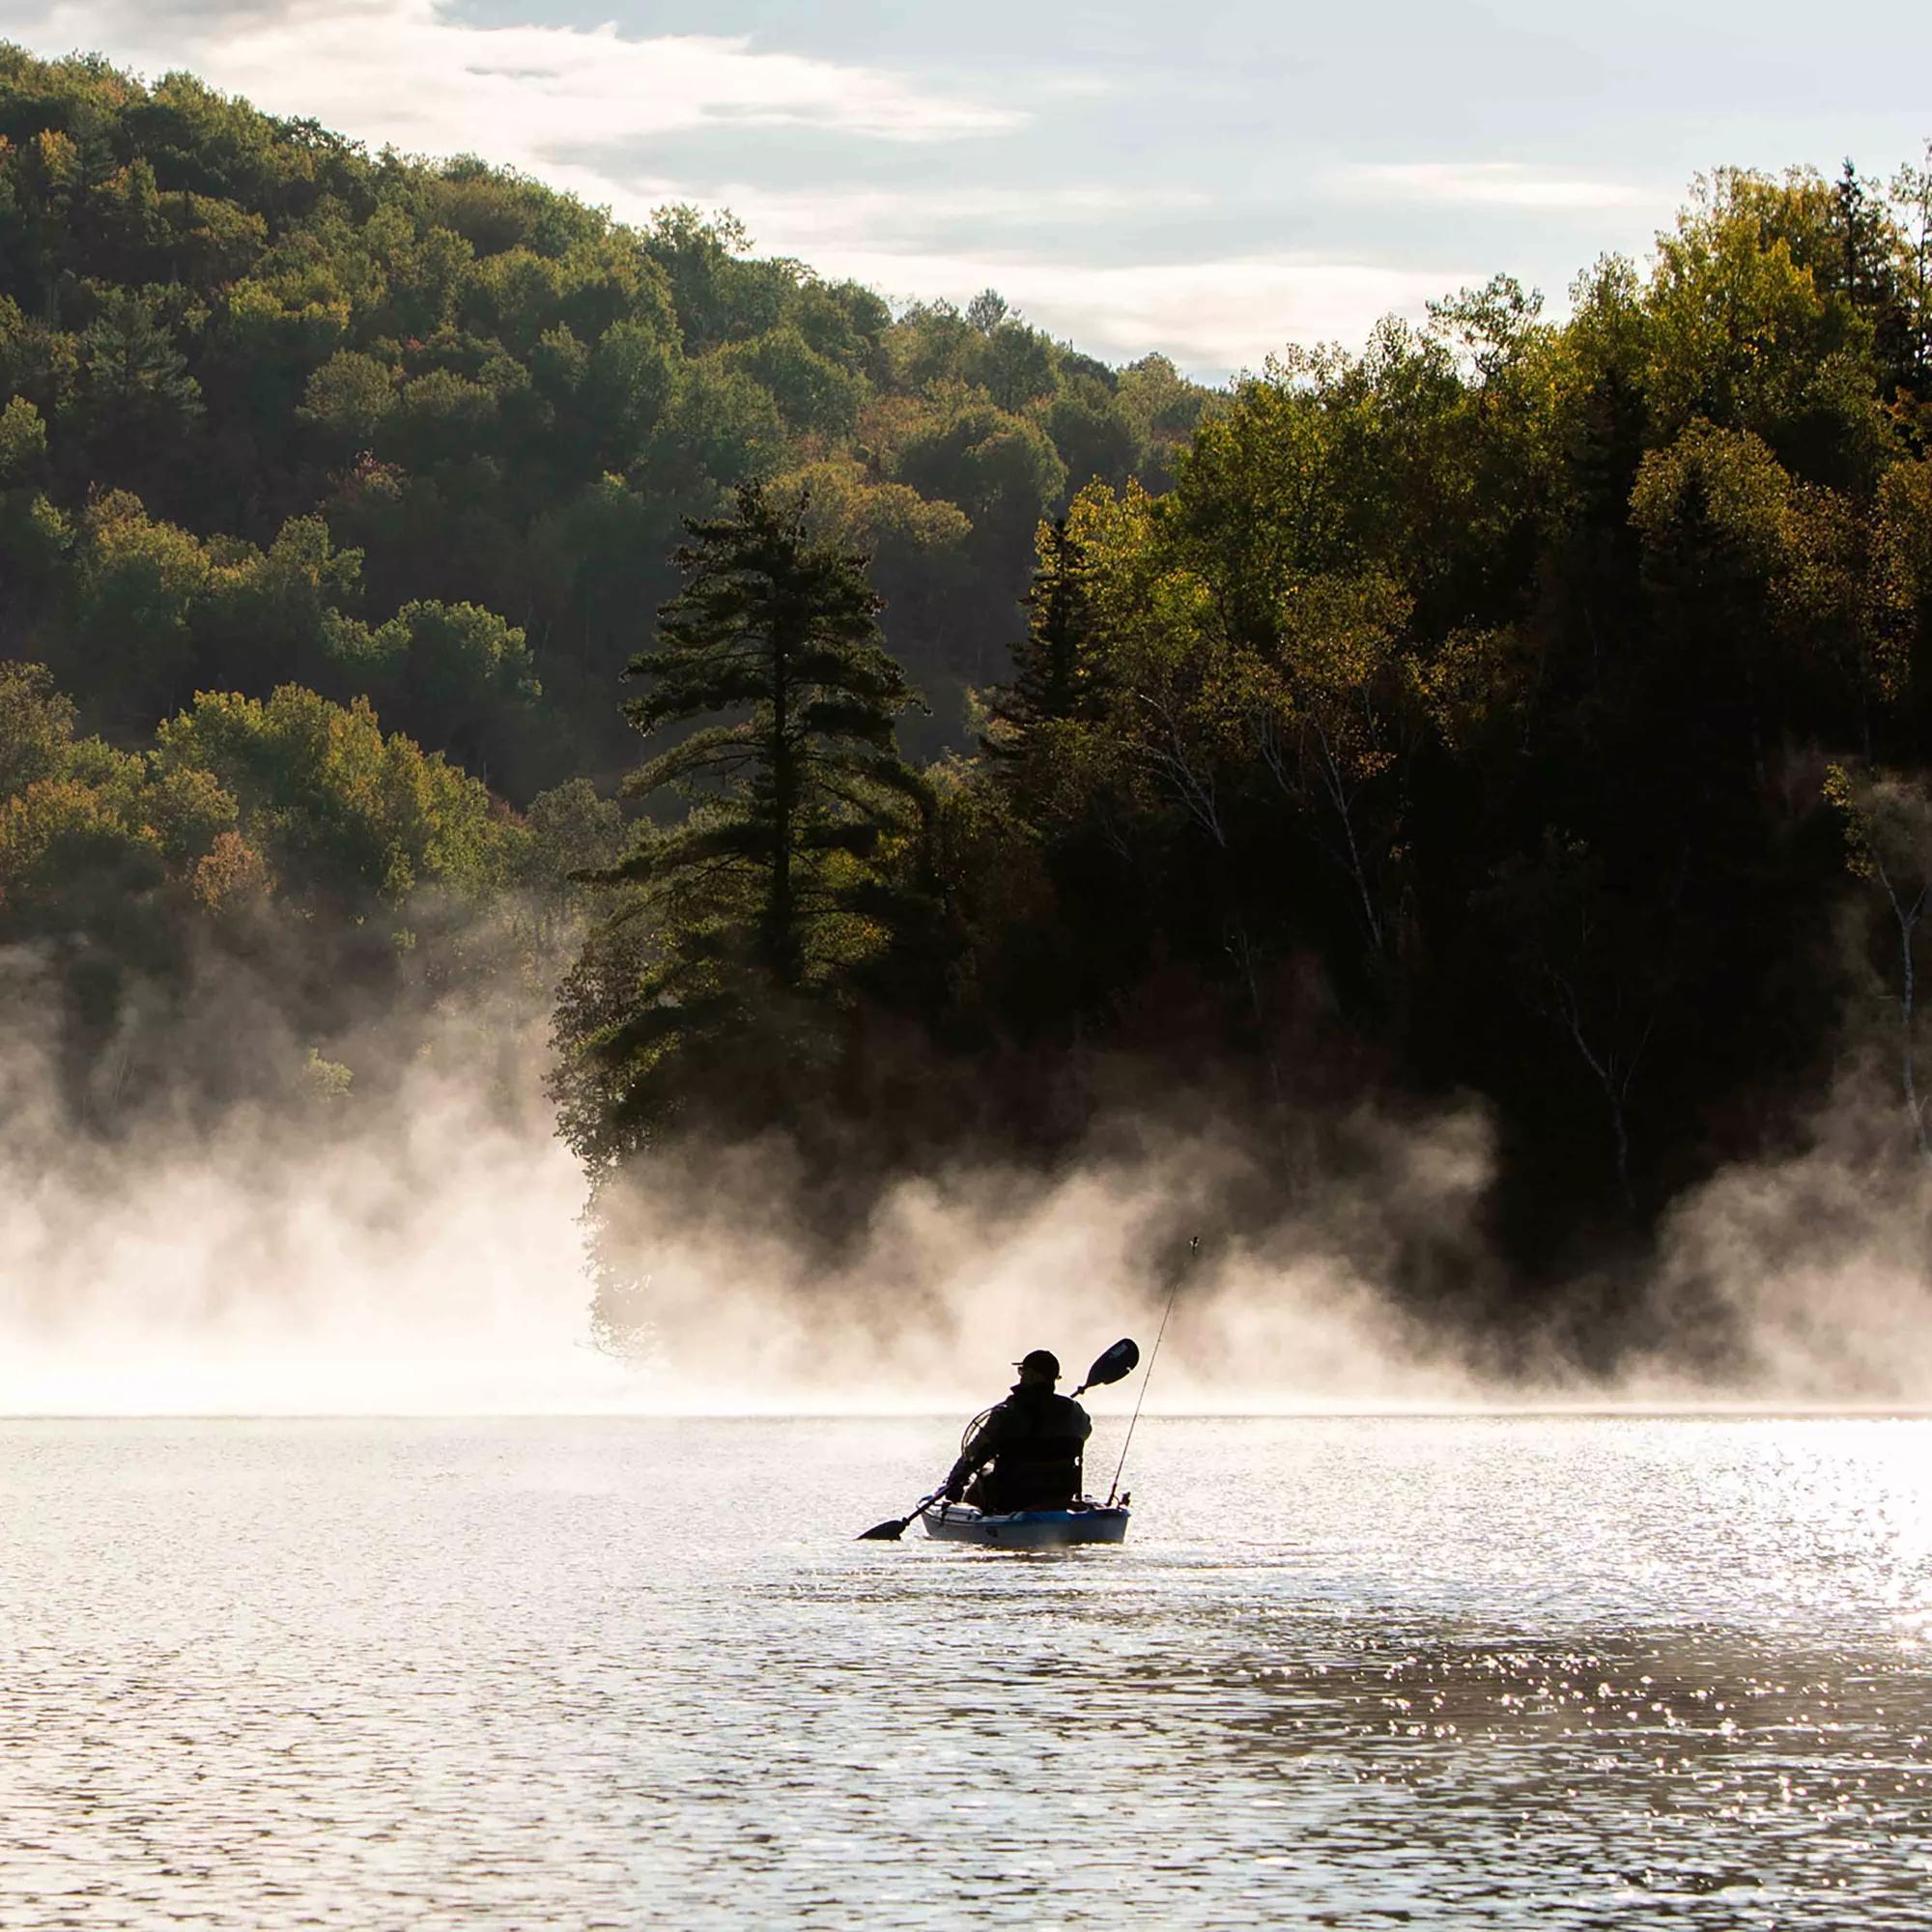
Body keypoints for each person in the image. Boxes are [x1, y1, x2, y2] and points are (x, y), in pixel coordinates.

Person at [942, 1349, 1093, 1513]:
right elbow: (1084, 1433)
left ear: (1033, 1376)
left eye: (1023, 1371)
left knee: (982, 1477)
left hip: (1013, 1498)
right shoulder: (1073, 1411)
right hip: (1058, 1494)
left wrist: (955, 1480)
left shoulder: (1006, 1412)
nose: (1020, 1375)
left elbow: (974, 1452)